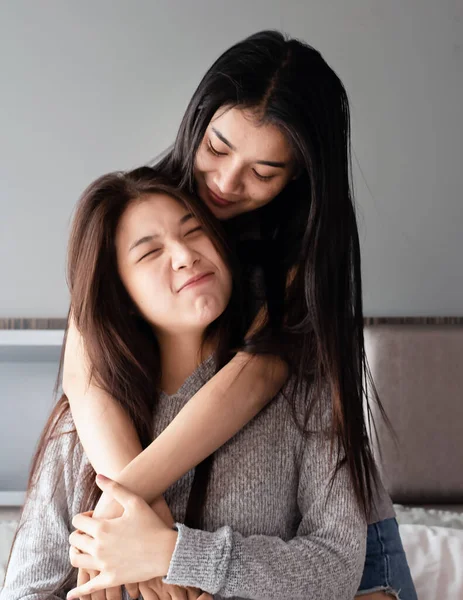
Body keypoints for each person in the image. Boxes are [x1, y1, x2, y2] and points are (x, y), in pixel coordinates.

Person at [62, 31, 417, 599]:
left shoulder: (302, 259)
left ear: (298, 174)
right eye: (218, 147)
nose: (226, 183)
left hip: (350, 532)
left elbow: (255, 378)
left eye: (264, 171)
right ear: (197, 121)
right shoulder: (129, 214)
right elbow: (83, 379)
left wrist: (138, 521)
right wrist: (138, 516)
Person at [2, 168, 367, 600]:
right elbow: (26, 589)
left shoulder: (305, 396)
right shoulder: (83, 424)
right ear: (122, 296)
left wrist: (175, 553)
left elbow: (338, 565)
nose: (184, 254)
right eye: (149, 252)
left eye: (194, 231)